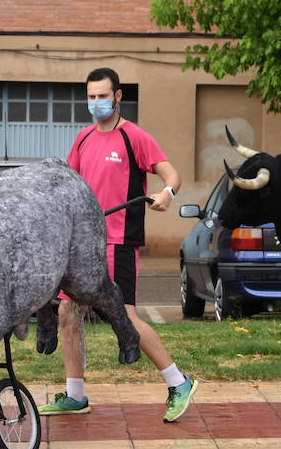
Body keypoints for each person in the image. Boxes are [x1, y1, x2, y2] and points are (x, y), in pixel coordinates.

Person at [38, 67, 200, 422]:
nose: (96, 102)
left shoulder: (134, 137)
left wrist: (167, 193)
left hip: (120, 241)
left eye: (102, 96)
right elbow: (70, 187)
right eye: (91, 97)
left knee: (123, 316)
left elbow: (171, 173)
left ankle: (179, 382)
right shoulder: (82, 139)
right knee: (67, 313)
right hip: (83, 245)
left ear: (118, 96)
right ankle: (75, 395)